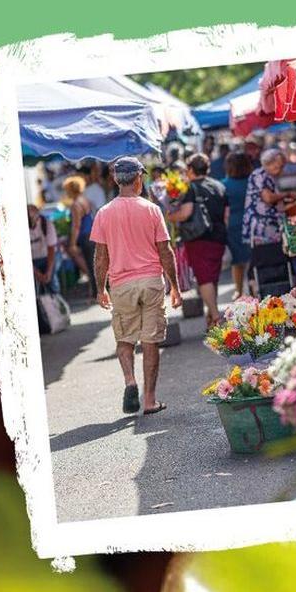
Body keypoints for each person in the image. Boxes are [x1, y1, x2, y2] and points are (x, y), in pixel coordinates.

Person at [91, 156, 182, 416]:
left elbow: (101, 257)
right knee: (150, 340)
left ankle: (130, 381)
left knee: (124, 338)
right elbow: (165, 251)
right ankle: (150, 400)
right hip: (151, 281)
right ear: (139, 179)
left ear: (116, 180)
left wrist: (101, 289)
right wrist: (175, 286)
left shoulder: (104, 213)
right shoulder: (152, 209)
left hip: (121, 284)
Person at [169, 154, 230, 327]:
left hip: (198, 238)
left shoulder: (191, 188)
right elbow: (226, 215)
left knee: (204, 278)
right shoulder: (219, 186)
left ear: (190, 170)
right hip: (218, 236)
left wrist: (170, 216)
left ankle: (216, 315)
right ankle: (212, 315)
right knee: (213, 277)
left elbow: (186, 213)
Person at [243, 149, 296, 293]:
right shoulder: (259, 175)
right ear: (268, 164)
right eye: (278, 166)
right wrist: (287, 194)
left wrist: (286, 200)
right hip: (262, 227)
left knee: (273, 258)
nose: (280, 170)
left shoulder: (268, 177)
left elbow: (274, 202)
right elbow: (268, 198)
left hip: (270, 225)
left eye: (281, 166)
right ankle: (257, 287)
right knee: (262, 259)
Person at [220, 152, 253, 299]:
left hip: (232, 226)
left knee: (237, 261)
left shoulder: (223, 185)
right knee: (253, 258)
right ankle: (253, 287)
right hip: (252, 223)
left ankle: (238, 291)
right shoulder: (253, 182)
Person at [60, 175, 97, 296]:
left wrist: (72, 244)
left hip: (85, 237)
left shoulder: (75, 204)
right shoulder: (85, 199)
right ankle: (95, 291)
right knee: (92, 265)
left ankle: (95, 292)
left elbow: (76, 226)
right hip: (91, 235)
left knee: (89, 266)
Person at [27, 204, 59, 294]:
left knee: (51, 281)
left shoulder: (47, 225)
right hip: (32, 260)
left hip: (47, 257)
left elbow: (51, 250)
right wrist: (37, 274)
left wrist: (48, 272)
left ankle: (55, 299)